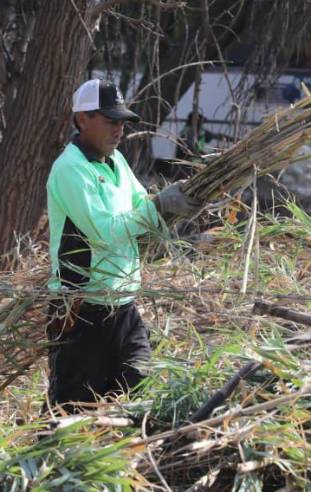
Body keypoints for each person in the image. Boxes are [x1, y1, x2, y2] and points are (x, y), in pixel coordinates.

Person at [44, 78, 199, 411]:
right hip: (82, 314)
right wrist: (158, 206)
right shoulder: (70, 170)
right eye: (111, 121)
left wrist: (178, 207)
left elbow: (141, 208)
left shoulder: (116, 162)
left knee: (136, 383)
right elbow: (105, 231)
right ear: (82, 119)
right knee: (74, 411)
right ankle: (50, 460)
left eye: (122, 122)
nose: (119, 129)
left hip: (123, 308)